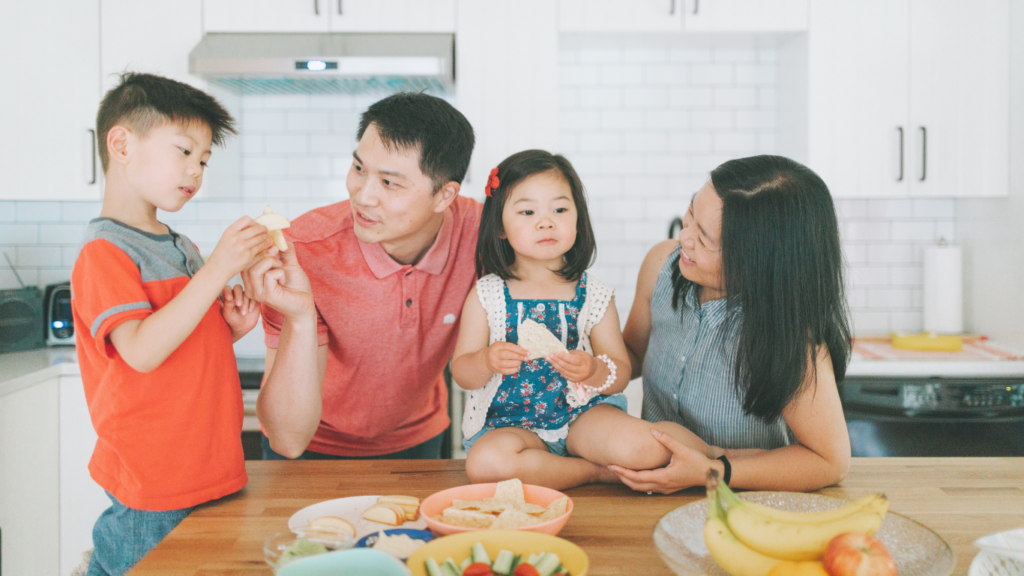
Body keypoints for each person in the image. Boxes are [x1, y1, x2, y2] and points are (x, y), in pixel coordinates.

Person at [71, 73, 270, 576]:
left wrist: (228, 328)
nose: (197, 170)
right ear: (121, 143)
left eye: (203, 160)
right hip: (154, 481)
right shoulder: (105, 253)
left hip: (207, 468)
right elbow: (139, 350)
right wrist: (219, 268)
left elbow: (178, 343)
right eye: (184, 151)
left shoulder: (179, 245)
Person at [451, 150, 715, 491]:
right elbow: (462, 374)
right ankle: (595, 472)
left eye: (560, 209)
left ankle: (718, 456)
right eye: (527, 211)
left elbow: (620, 373)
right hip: (511, 425)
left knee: (647, 445)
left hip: (583, 417)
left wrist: (592, 369)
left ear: (578, 218)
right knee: (486, 464)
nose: (546, 222)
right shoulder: (487, 295)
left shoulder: (594, 294)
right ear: (500, 227)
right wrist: (487, 360)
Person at [243, 92, 479, 460]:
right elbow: (287, 439)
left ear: (444, 196)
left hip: (419, 440)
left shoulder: (482, 234)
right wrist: (302, 316)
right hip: (311, 446)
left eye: (389, 183)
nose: (363, 196)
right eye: (358, 169)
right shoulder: (300, 251)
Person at [612, 155, 852, 494]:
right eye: (691, 212)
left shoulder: (788, 338)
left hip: (745, 506)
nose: (684, 238)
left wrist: (713, 472)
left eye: (706, 240)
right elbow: (632, 354)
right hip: (650, 494)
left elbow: (830, 462)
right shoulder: (661, 266)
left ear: (760, 264)